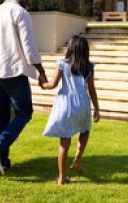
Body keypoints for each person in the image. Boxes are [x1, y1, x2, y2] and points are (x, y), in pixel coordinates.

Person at [0, 0, 47, 175]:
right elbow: (30, 49)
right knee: (24, 112)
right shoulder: (21, 13)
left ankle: (2, 162)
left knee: (2, 117)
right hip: (12, 72)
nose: (30, 1)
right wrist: (41, 72)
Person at [41, 35, 100, 185]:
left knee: (64, 141)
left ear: (70, 49)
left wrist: (43, 84)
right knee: (85, 131)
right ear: (85, 50)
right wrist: (97, 109)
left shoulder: (62, 64)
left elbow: (53, 84)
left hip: (66, 104)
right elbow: (92, 90)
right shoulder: (89, 67)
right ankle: (77, 161)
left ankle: (61, 178)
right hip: (83, 104)